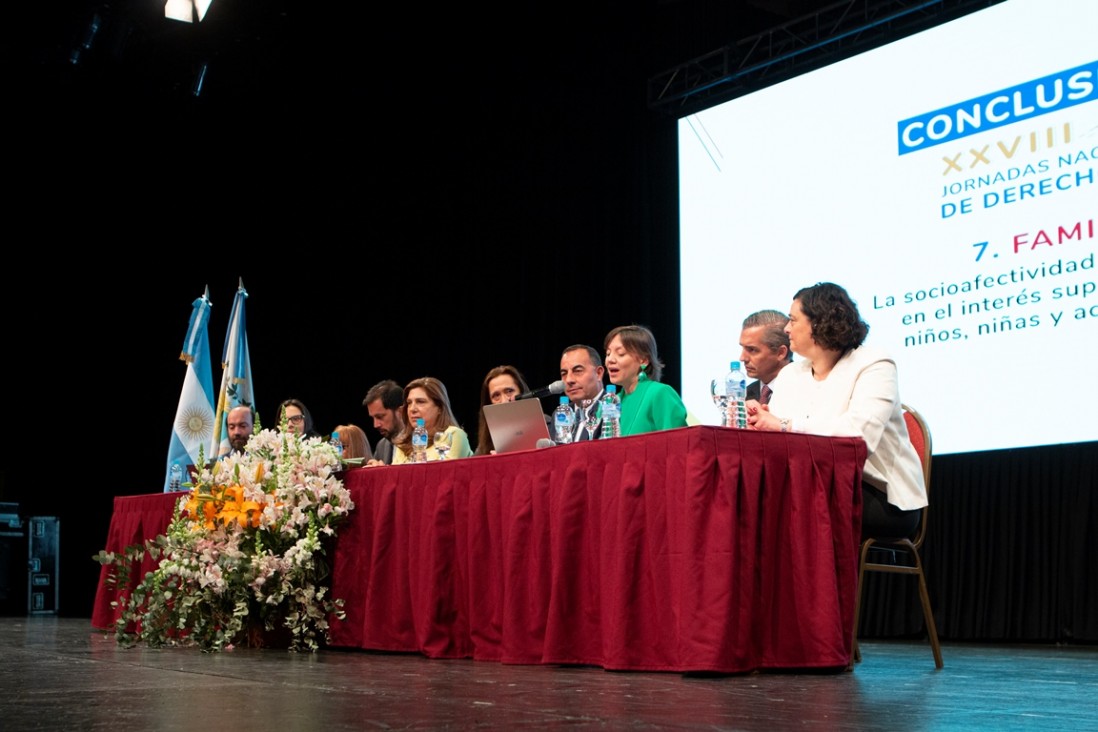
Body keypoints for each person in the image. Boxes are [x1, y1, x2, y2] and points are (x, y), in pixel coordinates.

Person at [745, 282, 927, 540]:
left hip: (879, 494)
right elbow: (779, 441)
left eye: (793, 320)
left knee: (792, 510)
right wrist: (759, 424)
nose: (786, 328)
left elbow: (857, 438)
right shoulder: (790, 374)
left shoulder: (874, 364)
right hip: (812, 485)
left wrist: (783, 425)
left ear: (819, 323)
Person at [603, 325, 689, 436]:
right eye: (608, 354)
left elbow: (677, 443)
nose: (610, 360)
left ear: (643, 360)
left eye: (621, 354)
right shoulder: (611, 403)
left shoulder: (660, 393)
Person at [390, 377, 473, 464]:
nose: (412, 409)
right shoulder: (404, 443)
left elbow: (444, 473)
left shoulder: (453, 435)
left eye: (420, 402)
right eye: (409, 403)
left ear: (440, 408)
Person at [474, 365, 535, 456]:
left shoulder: (548, 424)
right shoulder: (484, 445)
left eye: (509, 391)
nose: (504, 401)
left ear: (522, 392)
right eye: (496, 396)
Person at [739, 309, 792, 404]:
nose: (743, 358)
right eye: (743, 348)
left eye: (752, 350)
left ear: (781, 353)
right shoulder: (745, 396)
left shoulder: (806, 388)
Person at [559, 344, 605, 441]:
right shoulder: (560, 415)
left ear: (599, 373)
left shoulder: (612, 409)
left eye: (578, 371)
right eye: (564, 373)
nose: (569, 380)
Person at [363, 380, 405, 465]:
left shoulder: (419, 441)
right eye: (373, 418)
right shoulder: (381, 446)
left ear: (400, 412)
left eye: (380, 417)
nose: (375, 425)